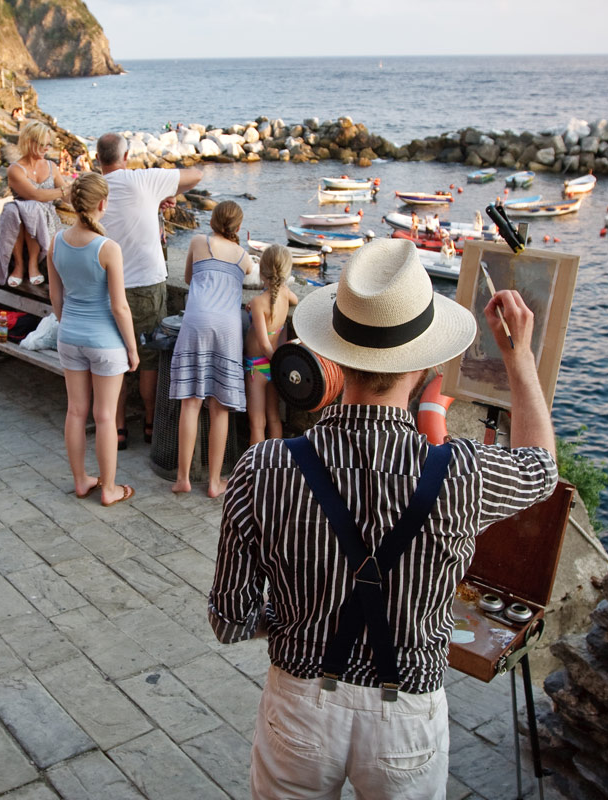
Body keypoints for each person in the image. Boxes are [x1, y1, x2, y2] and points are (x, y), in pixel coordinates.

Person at [209, 239, 558, 799]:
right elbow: (540, 471)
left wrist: (300, 618)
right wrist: (519, 359)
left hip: (297, 705)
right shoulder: (461, 474)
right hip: (407, 716)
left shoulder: (262, 468)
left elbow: (229, 621)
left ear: (334, 356)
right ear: (427, 364)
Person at [96, 132, 203, 450]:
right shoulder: (142, 179)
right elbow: (195, 175)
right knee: (148, 358)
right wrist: (159, 193)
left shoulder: (95, 189)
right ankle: (149, 422)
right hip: (145, 285)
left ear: (98, 159)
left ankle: (116, 430)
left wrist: (156, 199)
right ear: (125, 157)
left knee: (112, 361)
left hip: (105, 287)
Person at [46, 172, 140, 507]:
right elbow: (120, 306)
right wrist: (132, 348)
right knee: (104, 416)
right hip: (106, 343)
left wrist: (68, 323)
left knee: (75, 411)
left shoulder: (56, 242)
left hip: (69, 335)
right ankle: (110, 488)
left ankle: (81, 480)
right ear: (102, 204)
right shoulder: (107, 248)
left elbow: (56, 299)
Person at [169, 201, 249, 497]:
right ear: (238, 227)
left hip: (197, 322)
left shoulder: (197, 241)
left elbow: (189, 278)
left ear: (213, 221)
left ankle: (182, 479)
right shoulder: (244, 257)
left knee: (190, 403)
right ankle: (215, 483)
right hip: (228, 328)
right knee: (220, 407)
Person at [0, 120, 68, 287]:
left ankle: (33, 262)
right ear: (30, 142)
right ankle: (20, 264)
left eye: (48, 144)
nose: (47, 148)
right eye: (43, 144)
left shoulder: (51, 166)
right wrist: (65, 191)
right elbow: (35, 195)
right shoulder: (15, 169)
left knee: (30, 208)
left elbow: (67, 198)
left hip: (47, 221)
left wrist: (82, 191)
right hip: (20, 222)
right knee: (17, 208)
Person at [244, 244, 300, 444]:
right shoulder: (284, 293)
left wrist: (253, 305)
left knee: (257, 423)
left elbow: (263, 342)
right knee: (274, 417)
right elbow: (295, 299)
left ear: (262, 272)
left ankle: (255, 469)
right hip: (273, 366)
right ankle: (274, 464)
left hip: (258, 366)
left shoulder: (258, 303)